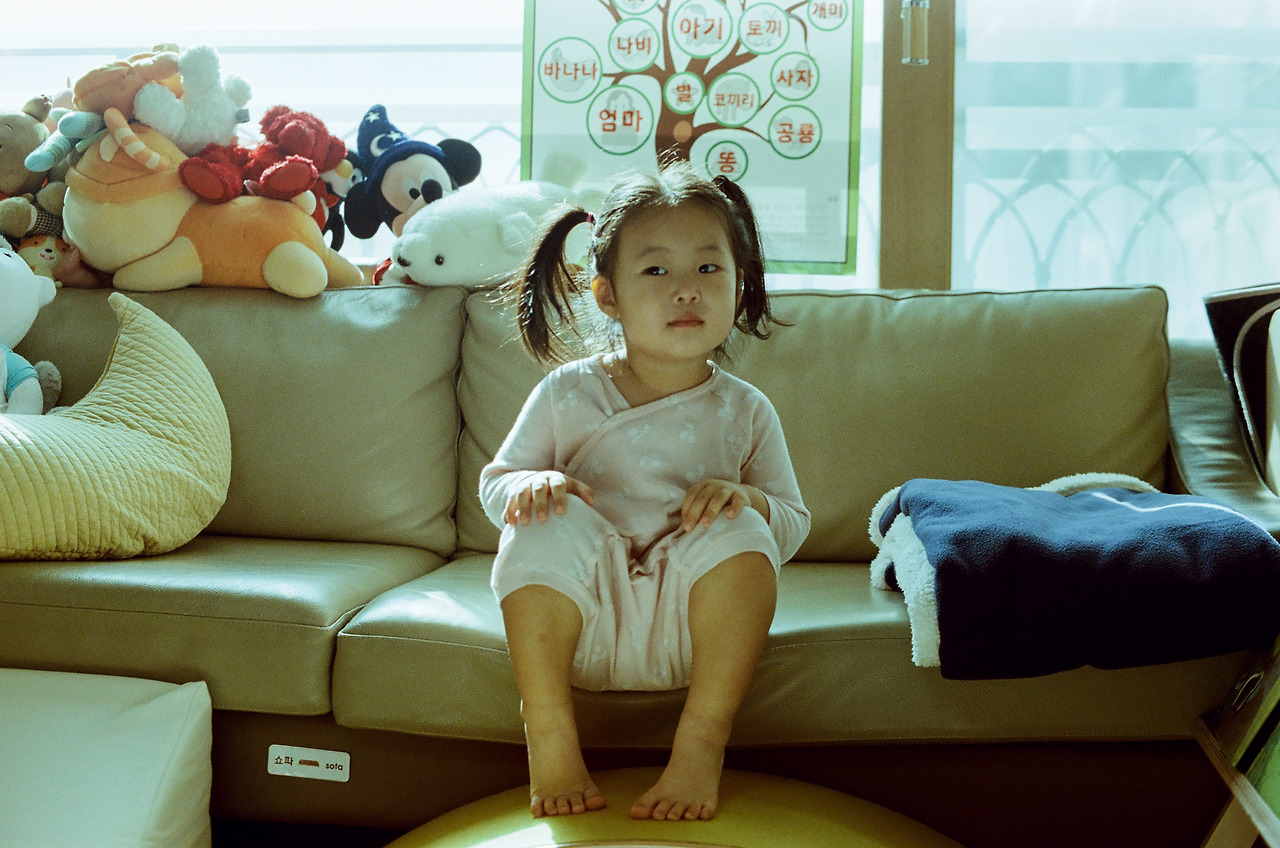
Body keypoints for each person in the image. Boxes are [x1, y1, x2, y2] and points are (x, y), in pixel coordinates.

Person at [479, 159, 810, 822]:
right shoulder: (567, 392)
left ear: (740, 284)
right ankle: (548, 729)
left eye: (709, 268)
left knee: (742, 527)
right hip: (581, 623)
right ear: (608, 295)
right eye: (656, 271)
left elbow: (791, 522)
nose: (686, 290)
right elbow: (496, 485)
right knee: (542, 516)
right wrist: (529, 484)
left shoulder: (746, 410)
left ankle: (701, 742)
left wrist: (746, 502)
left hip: (693, 631)